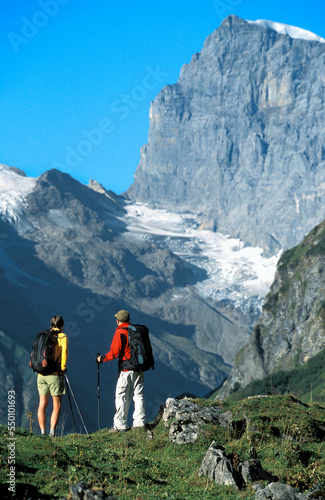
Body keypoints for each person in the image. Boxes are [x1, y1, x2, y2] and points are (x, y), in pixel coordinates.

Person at [97, 310, 145, 432]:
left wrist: (102, 358)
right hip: (139, 368)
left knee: (122, 396)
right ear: (128, 319)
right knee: (138, 395)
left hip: (126, 370)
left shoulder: (120, 332)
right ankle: (139, 423)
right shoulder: (135, 331)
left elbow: (114, 353)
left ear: (118, 320)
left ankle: (120, 425)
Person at [37, 315, 68, 437]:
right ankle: (52, 433)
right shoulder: (62, 337)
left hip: (41, 374)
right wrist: (63, 367)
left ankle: (42, 432)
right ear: (62, 326)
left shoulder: (44, 335)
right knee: (57, 405)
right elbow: (64, 351)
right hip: (55, 375)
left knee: (42, 404)